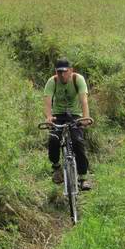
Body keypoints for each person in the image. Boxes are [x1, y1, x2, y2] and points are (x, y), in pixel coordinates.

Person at [43, 58, 92, 190]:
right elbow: (47, 102)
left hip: (75, 115)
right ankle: (56, 168)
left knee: (78, 142)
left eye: (65, 72)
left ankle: (83, 178)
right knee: (53, 139)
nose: (62, 75)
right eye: (59, 72)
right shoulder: (52, 82)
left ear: (71, 71)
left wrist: (86, 117)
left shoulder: (78, 79)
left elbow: (84, 100)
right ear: (56, 72)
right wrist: (48, 117)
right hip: (57, 115)